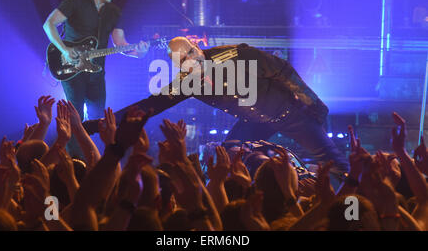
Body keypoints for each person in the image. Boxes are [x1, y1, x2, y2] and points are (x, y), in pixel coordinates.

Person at [84, 37, 349, 175]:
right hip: (254, 121)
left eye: (190, 53)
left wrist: (310, 100)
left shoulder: (234, 54)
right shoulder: (187, 82)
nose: (190, 61)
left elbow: (281, 69)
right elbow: (151, 105)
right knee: (230, 155)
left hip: (289, 113)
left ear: (197, 47)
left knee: (334, 161)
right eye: (183, 61)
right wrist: (101, 124)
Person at [43, 0, 149, 158]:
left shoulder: (114, 12)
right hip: (71, 68)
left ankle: (93, 157)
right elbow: (49, 24)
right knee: (75, 115)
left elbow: (120, 43)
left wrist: (139, 53)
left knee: (98, 116)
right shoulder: (76, 1)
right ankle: (75, 161)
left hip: (97, 73)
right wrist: (65, 50)